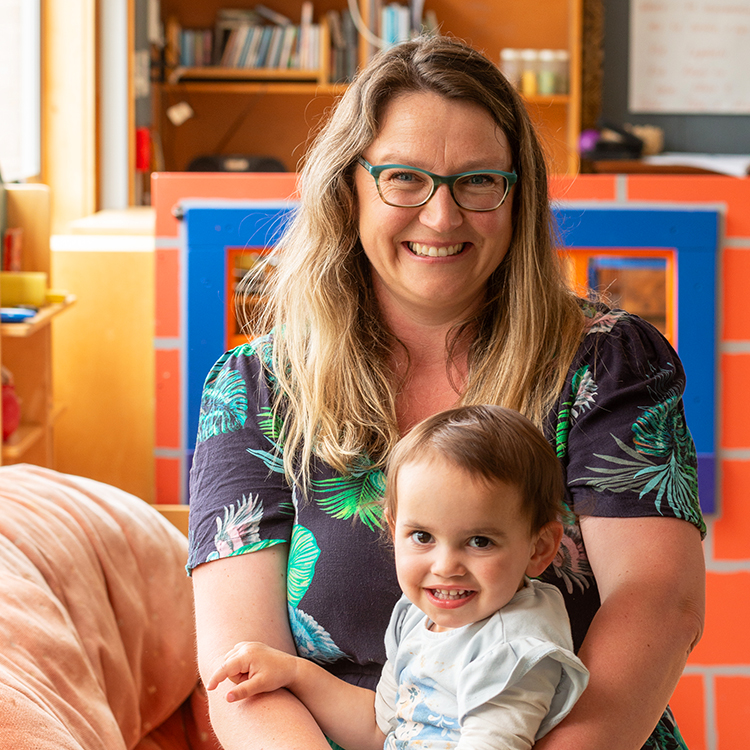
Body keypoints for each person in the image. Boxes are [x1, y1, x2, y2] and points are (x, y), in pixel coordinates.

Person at [188, 34, 706, 750]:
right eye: (404, 178)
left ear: (517, 195)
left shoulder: (606, 362)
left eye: (478, 181)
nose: (441, 216)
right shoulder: (251, 390)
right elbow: (238, 672)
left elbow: (660, 603)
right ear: (350, 188)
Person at [205, 406, 590, 750]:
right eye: (422, 537)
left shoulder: (513, 648)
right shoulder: (416, 617)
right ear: (393, 530)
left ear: (539, 548)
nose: (445, 566)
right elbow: (381, 728)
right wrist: (293, 672)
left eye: (479, 541)